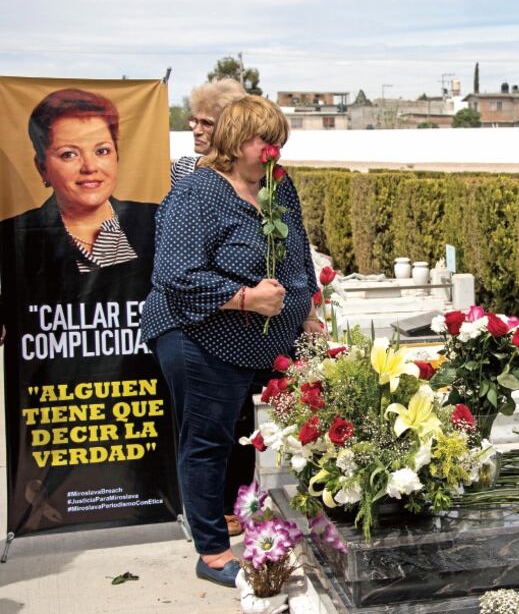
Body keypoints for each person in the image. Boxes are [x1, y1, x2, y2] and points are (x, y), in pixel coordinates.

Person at [142, 95, 321, 587]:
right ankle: (213, 554)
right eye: (267, 140)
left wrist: (306, 309)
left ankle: (260, 518)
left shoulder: (278, 189)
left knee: (267, 428)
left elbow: (297, 255)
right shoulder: (197, 192)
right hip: (196, 333)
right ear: (236, 141)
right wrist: (244, 298)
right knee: (207, 439)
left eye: (279, 140)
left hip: (259, 337)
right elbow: (174, 275)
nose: (275, 150)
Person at [0, 88, 165, 532]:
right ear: (41, 167)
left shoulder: (154, 223)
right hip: (60, 408)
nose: (91, 167)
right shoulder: (16, 236)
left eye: (102, 150)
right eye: (69, 154)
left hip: (135, 401)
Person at [170, 77, 248, 537]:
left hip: (247, 315)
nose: (197, 129)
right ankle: (209, 509)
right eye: (193, 121)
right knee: (204, 418)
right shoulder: (184, 172)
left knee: (239, 415)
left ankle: (237, 496)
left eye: (208, 122)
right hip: (198, 309)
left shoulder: (255, 174)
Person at [170, 78, 245, 186]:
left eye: (207, 123)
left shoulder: (245, 175)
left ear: (230, 128)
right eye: (195, 121)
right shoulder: (181, 169)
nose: (196, 131)